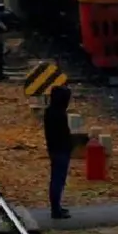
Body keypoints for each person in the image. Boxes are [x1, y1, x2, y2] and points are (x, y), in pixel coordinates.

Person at [44, 85, 73, 220]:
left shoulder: (49, 112)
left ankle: (56, 207)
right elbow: (64, 134)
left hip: (53, 149)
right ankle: (56, 210)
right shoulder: (60, 114)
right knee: (58, 180)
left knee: (56, 179)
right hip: (61, 149)